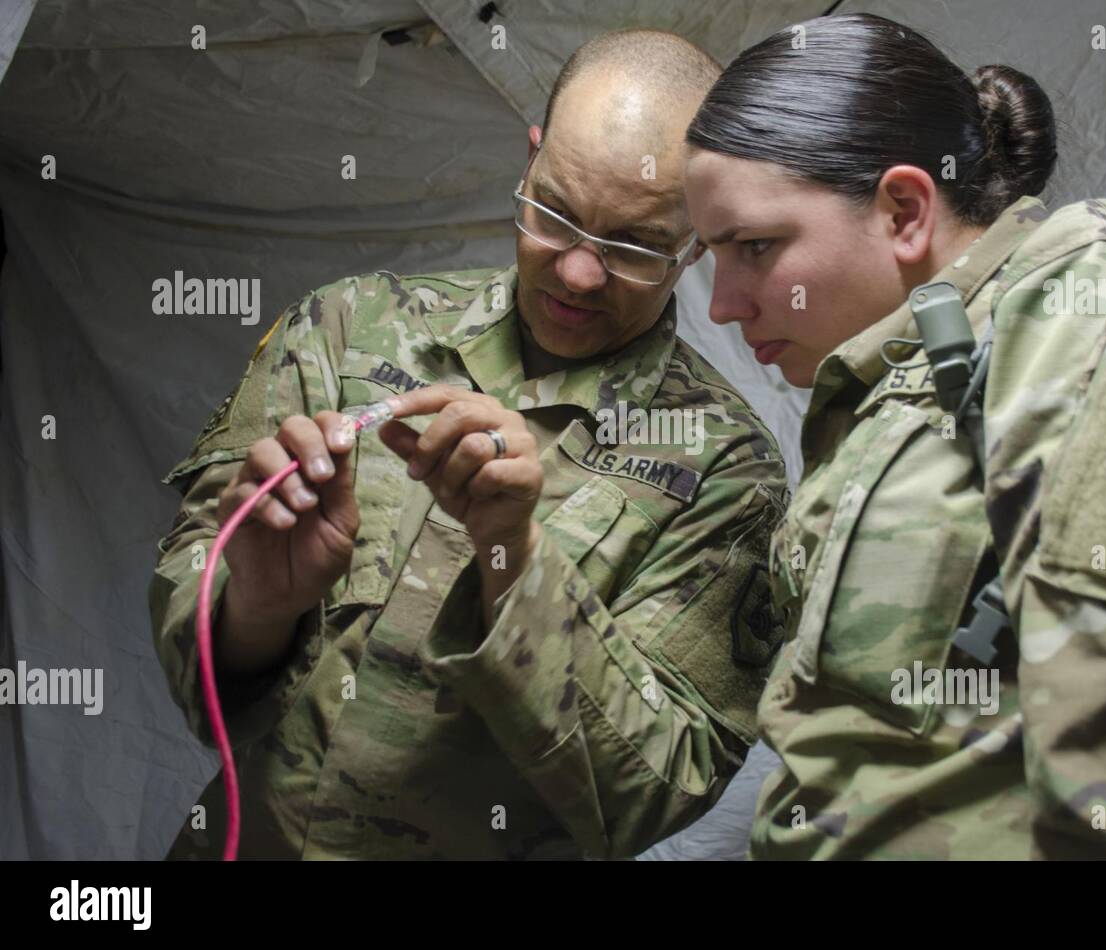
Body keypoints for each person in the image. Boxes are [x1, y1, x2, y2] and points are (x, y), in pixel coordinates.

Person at [149, 29, 788, 860]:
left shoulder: (726, 473)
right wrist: (257, 607)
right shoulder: (348, 330)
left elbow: (647, 798)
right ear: (528, 162)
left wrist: (515, 561)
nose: (579, 273)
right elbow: (192, 668)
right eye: (554, 214)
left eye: (634, 246)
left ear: (698, 238)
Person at [684, 12, 1106, 859]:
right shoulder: (899, 398)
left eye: (754, 246)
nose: (722, 303)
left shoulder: (1104, 313)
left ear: (904, 208)